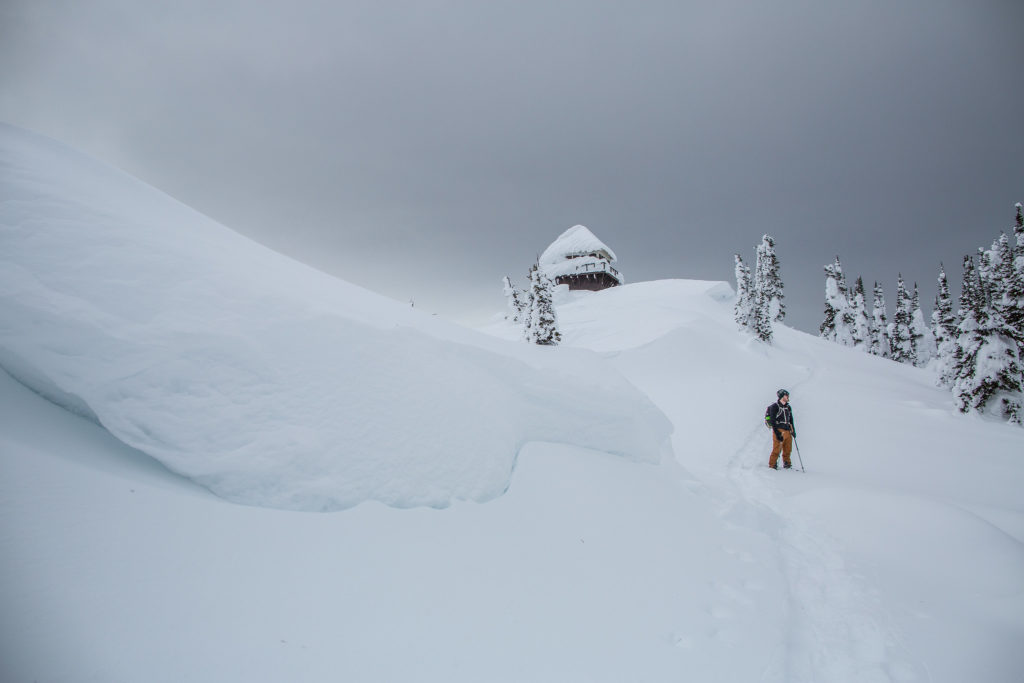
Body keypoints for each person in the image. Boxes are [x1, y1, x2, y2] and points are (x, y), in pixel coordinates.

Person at [765, 389, 796, 469]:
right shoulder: (774, 407)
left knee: (788, 449)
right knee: (777, 449)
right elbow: (773, 421)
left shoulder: (788, 407)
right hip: (779, 430)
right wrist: (777, 433)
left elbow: (791, 420)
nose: (788, 397)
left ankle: (787, 464)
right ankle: (772, 465)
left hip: (788, 430)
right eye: (786, 395)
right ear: (782, 396)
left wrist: (793, 431)